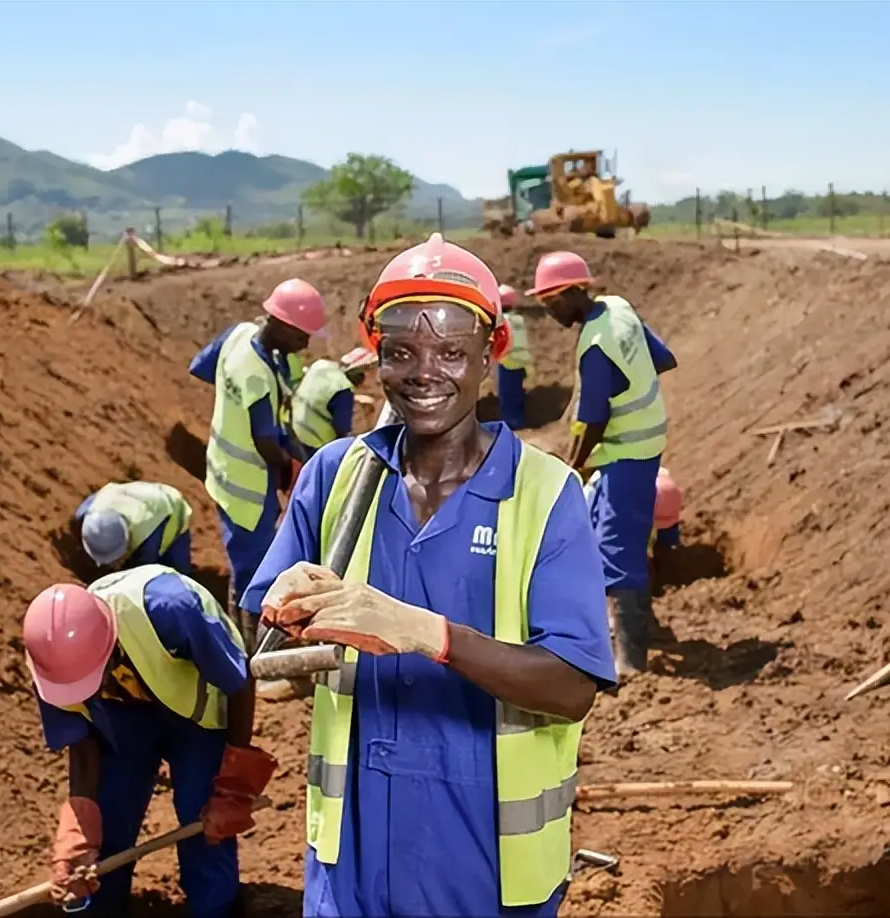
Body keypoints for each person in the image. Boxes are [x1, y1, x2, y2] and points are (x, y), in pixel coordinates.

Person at [241, 233, 617, 917]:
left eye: (450, 352)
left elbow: (570, 688)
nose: (425, 372)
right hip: (354, 857)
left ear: (488, 356)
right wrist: (284, 616)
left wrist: (424, 632)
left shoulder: (544, 495)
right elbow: (271, 660)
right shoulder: (336, 478)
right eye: (402, 352)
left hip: (482, 861)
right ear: (377, 356)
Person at [24, 566, 277, 918]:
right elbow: (82, 745)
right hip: (123, 720)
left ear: (109, 647)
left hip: (196, 717)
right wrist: (77, 833)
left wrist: (233, 784)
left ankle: (216, 909)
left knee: (203, 821)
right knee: (108, 824)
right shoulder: (51, 664)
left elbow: (238, 679)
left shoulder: (170, 609)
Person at [527, 250, 677, 676]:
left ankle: (629, 661)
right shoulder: (619, 308)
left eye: (550, 302)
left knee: (617, 549)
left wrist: (573, 466)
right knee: (597, 535)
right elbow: (663, 358)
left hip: (625, 453)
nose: (550, 312)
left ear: (573, 292)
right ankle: (610, 630)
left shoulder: (595, 343)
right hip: (641, 444)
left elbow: (594, 417)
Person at [190, 278, 326, 650]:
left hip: (222, 466)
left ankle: (246, 637)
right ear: (281, 326)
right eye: (302, 336)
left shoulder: (238, 336)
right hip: (247, 487)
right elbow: (264, 440)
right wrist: (291, 468)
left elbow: (200, 367)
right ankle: (252, 649)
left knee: (246, 561)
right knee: (256, 569)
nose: (306, 345)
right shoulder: (256, 375)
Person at [72, 481, 194, 575]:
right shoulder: (87, 512)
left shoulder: (147, 538)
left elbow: (143, 573)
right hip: (139, 495)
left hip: (171, 508)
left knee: (178, 571)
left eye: (115, 560)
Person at [287, 347, 378, 462]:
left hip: (293, 427)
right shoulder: (343, 390)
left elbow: (319, 395)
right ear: (361, 375)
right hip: (311, 442)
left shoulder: (321, 365)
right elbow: (342, 430)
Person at [495, 283, 533, 430]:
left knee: (507, 393)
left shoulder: (502, 321)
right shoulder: (518, 319)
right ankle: (519, 418)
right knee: (517, 392)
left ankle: (511, 421)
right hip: (520, 361)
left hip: (507, 361)